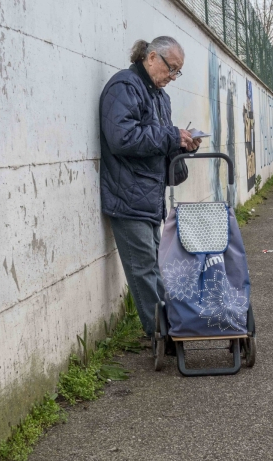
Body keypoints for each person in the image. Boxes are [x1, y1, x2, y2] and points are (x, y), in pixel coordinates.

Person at [99, 36, 201, 337]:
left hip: (147, 197)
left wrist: (184, 145)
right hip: (128, 197)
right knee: (145, 269)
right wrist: (172, 136)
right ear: (152, 57)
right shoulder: (125, 86)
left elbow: (157, 143)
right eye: (171, 69)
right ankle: (161, 335)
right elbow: (122, 138)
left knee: (155, 268)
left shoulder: (158, 95)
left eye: (177, 72)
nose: (172, 77)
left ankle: (168, 330)